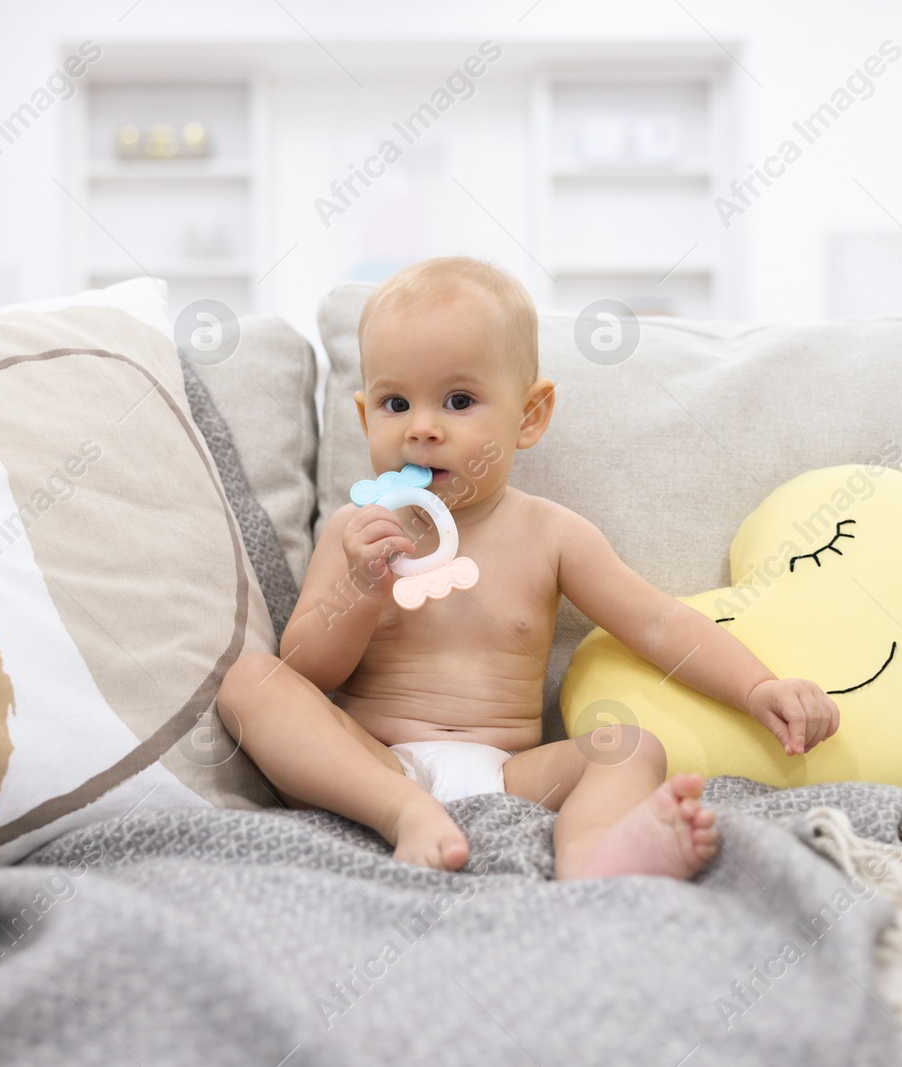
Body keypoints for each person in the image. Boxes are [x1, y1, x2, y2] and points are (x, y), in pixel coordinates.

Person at [216, 256, 840, 880]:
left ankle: (594, 852)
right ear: (364, 419)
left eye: (459, 401)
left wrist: (759, 688)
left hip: (510, 775)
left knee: (630, 748)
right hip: (375, 764)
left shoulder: (553, 535)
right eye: (395, 403)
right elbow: (306, 672)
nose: (423, 429)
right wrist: (360, 589)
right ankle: (402, 813)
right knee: (252, 683)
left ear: (529, 416)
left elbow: (658, 623)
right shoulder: (356, 536)